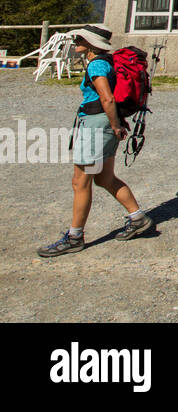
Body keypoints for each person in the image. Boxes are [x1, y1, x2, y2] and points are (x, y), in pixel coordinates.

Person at [39, 25, 152, 257]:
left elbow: (107, 98)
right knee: (104, 178)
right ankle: (137, 217)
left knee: (80, 182)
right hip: (106, 125)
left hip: (97, 126)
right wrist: (116, 125)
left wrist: (114, 125)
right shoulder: (108, 62)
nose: (76, 41)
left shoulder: (97, 64)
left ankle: (75, 237)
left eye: (80, 38)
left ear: (91, 44)